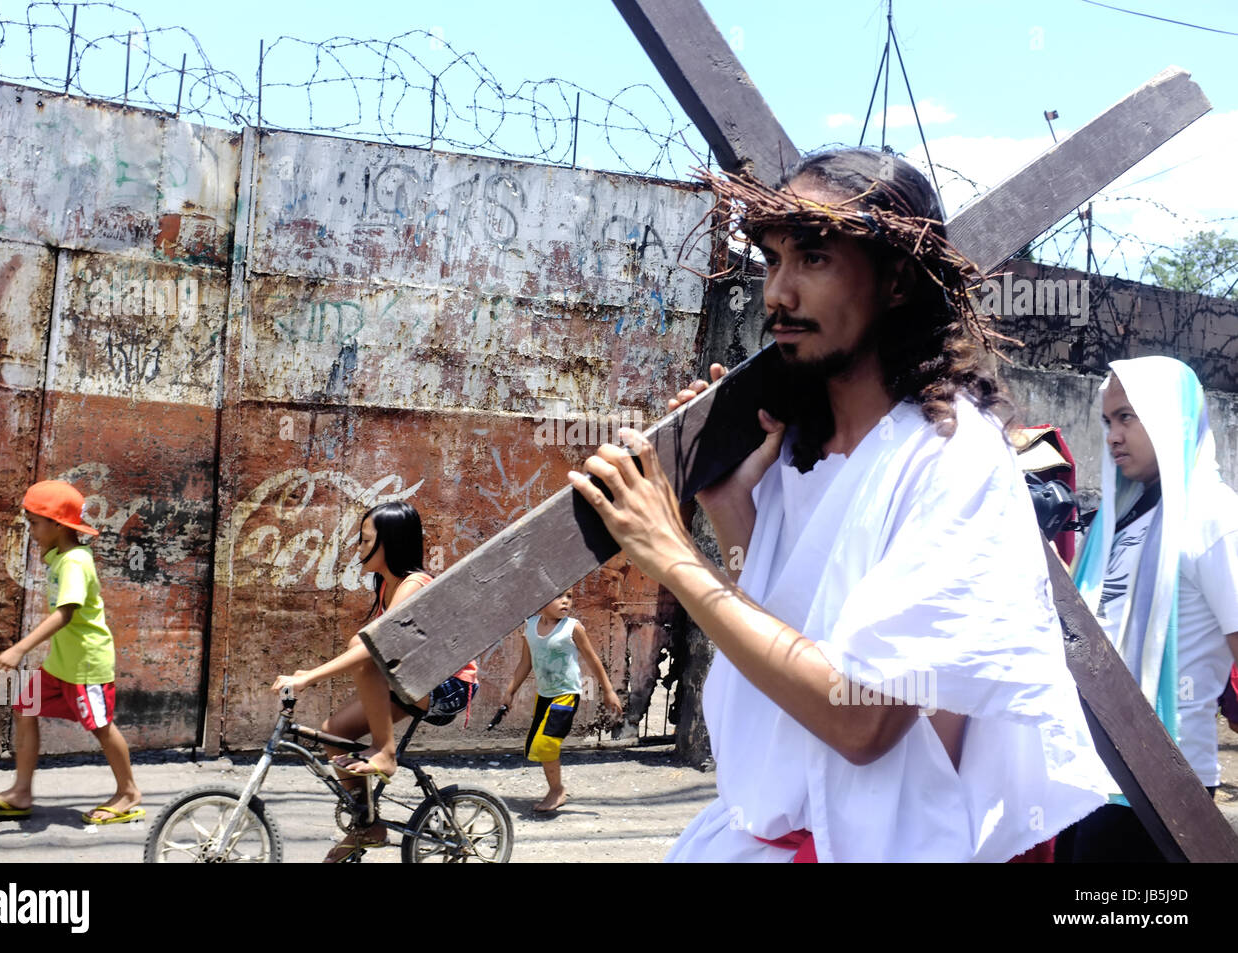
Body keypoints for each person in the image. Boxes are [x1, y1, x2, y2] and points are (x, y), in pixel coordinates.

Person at [567, 148, 1112, 861]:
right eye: (773, 259)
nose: (778, 294)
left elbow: (863, 720)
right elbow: (793, 634)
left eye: (815, 259)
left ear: (896, 279)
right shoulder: (804, 452)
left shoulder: (951, 457)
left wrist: (672, 557)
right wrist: (729, 511)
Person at [1062, 357, 1238, 862]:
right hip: (1093, 776)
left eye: (1128, 417)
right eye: (1107, 421)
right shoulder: (1120, 519)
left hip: (1165, 785)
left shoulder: (1213, 516)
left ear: (1171, 418)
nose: (1113, 436)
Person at [270, 501, 477, 861]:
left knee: (366, 651)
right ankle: (367, 827)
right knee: (334, 733)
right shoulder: (387, 585)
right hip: (413, 682)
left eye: (366, 542)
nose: (359, 549)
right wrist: (310, 675)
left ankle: (386, 752)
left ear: (390, 544)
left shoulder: (415, 584)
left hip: (449, 687)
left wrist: (311, 678)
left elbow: (371, 649)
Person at [0, 481, 142, 823]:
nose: (30, 530)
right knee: (24, 708)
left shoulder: (75, 561)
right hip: (61, 663)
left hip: (86, 665)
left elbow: (66, 613)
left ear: (58, 525)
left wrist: (19, 649)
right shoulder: (60, 555)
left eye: (34, 523)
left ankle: (129, 791)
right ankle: (21, 792)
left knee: (101, 727)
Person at [500, 589, 623, 813]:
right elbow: (525, 663)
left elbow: (592, 659)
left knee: (546, 744)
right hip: (544, 695)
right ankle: (555, 788)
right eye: (559, 596)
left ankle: (557, 791)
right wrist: (510, 692)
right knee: (535, 748)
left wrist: (608, 690)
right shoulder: (530, 627)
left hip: (567, 694)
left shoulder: (572, 627)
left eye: (569, 596)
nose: (566, 601)